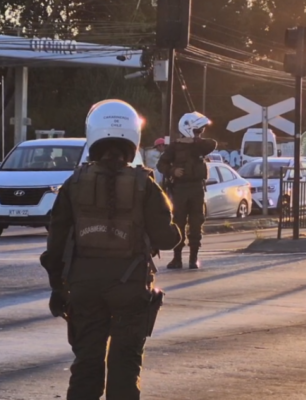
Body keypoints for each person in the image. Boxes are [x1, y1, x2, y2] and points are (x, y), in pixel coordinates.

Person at [39, 99, 181, 400]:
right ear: (134, 139)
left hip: (83, 286)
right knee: (125, 365)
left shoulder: (73, 182)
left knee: (87, 363)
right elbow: (168, 239)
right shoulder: (145, 183)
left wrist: (58, 288)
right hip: (129, 286)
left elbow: (55, 244)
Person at [158, 112, 217, 270]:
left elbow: (212, 144)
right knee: (178, 223)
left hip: (197, 188)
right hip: (180, 189)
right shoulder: (175, 146)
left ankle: (193, 259)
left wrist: (193, 141)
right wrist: (173, 171)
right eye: (198, 130)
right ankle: (177, 258)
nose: (201, 133)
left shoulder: (200, 145)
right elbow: (161, 164)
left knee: (196, 222)